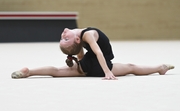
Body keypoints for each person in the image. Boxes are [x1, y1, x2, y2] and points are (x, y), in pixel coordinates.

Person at [11, 27, 175, 80]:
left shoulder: (80, 37)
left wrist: (75, 62)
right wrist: (107, 72)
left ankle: (29, 72)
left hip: (89, 64)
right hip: (99, 64)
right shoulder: (87, 35)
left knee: (57, 71)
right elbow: (98, 53)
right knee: (131, 67)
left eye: (62, 38)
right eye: (64, 38)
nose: (63, 34)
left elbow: (83, 54)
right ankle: (160, 68)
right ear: (76, 40)